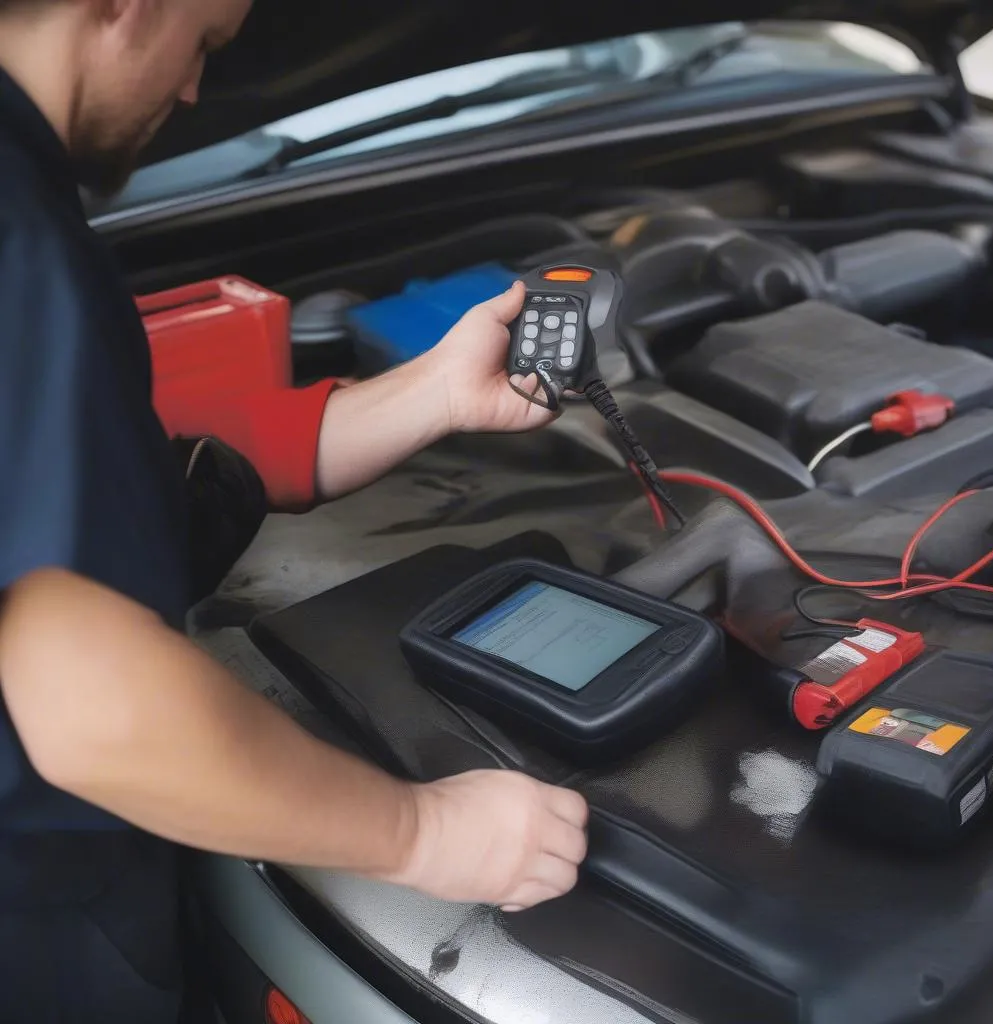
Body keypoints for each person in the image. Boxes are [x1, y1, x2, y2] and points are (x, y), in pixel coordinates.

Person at [0, 1, 589, 1020]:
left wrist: (440, 391)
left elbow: (108, 474)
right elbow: (90, 710)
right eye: (209, 42)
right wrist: (425, 834)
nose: (193, 91)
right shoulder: (18, 236)